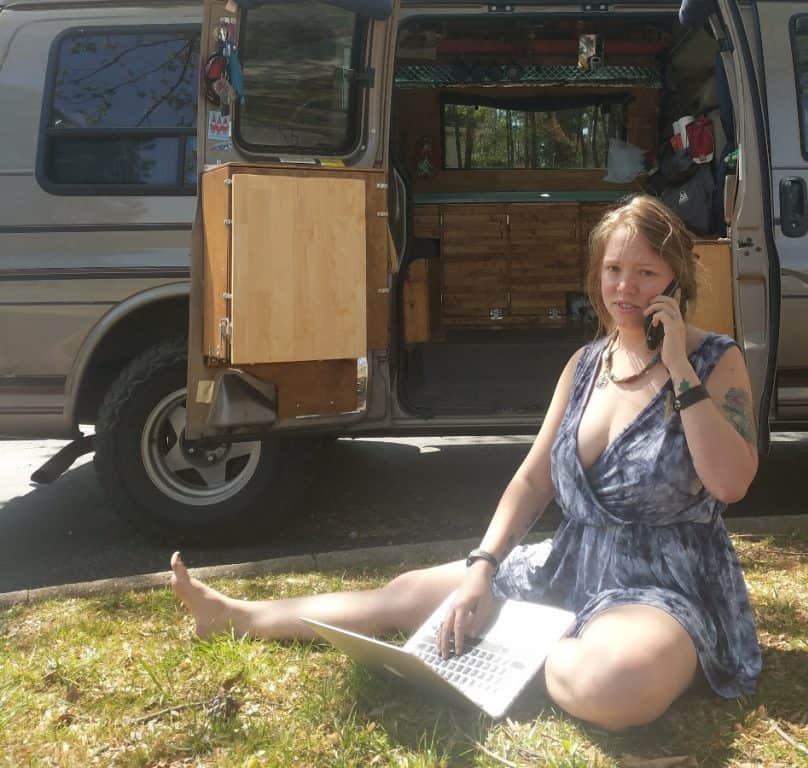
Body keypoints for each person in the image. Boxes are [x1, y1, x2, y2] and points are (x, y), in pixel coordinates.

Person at [171, 194, 762, 731]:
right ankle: (239, 616)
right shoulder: (587, 364)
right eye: (613, 270)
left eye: (645, 273)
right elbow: (533, 478)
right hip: (572, 565)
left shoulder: (715, 361)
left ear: (676, 284)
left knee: (611, 688)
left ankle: (526, 641)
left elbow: (731, 483)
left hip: (662, 582)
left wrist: (680, 366)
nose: (624, 289)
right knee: (410, 594)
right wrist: (483, 565)